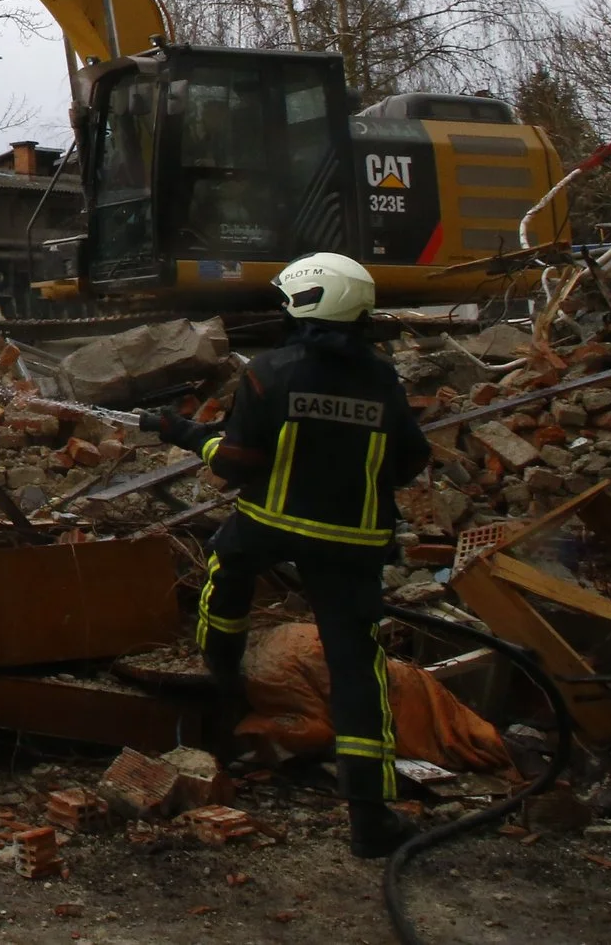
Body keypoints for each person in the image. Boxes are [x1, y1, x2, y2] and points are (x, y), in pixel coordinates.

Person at [139, 251, 431, 859]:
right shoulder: (382, 378)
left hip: (271, 523)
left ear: (307, 303)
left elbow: (236, 462)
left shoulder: (271, 371)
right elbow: (410, 461)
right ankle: (371, 819)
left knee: (225, 563)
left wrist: (183, 431)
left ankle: (221, 671)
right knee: (356, 668)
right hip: (353, 544)